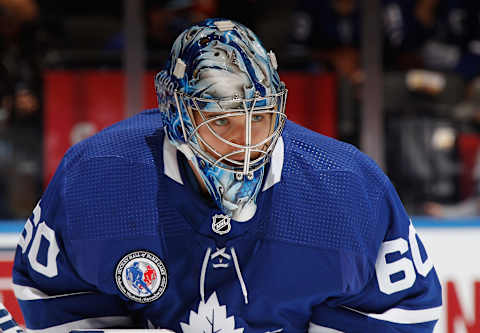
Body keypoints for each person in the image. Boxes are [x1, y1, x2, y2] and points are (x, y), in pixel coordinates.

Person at [12, 18, 442, 332]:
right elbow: (56, 303)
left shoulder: (346, 186)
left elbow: (403, 312)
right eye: (221, 122)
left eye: (261, 115)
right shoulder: (97, 177)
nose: (248, 142)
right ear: (178, 117)